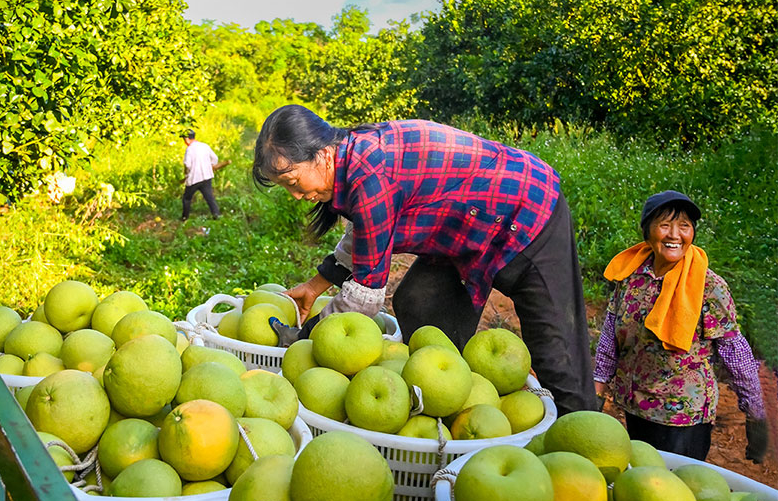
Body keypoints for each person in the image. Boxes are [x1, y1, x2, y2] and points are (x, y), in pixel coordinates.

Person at [251, 104, 597, 415]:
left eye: (293, 181)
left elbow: (364, 297)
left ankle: (584, 445)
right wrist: (317, 285)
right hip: (462, 227)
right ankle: (450, 397)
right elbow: (366, 234)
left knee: (556, 354)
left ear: (323, 154)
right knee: (419, 302)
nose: (296, 196)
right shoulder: (352, 156)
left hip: (525, 211)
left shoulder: (370, 175)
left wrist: (305, 339)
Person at [593, 190, 769, 462]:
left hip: (684, 417)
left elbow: (735, 352)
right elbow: (610, 334)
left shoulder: (708, 287)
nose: (675, 234)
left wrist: (755, 414)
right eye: (665, 225)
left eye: (684, 226)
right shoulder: (631, 276)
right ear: (647, 231)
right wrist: (598, 386)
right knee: (641, 482)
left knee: (677, 491)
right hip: (636, 406)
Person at [181, 130, 228, 221]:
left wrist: (186, 173)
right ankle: (217, 216)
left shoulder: (190, 149)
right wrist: (210, 166)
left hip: (194, 178)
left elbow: (187, 164)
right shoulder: (204, 146)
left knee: (187, 198)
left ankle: (184, 218)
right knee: (209, 198)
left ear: (187, 139)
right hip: (206, 177)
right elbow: (215, 159)